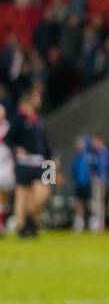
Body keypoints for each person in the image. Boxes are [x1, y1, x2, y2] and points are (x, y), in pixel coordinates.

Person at [6, 90, 52, 238]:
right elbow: (8, 139)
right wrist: (17, 149)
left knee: (45, 192)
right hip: (24, 162)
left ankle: (30, 219)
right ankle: (22, 226)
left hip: (43, 161)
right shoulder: (18, 119)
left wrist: (51, 159)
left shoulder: (38, 119)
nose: (39, 99)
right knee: (23, 194)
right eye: (36, 97)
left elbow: (44, 143)